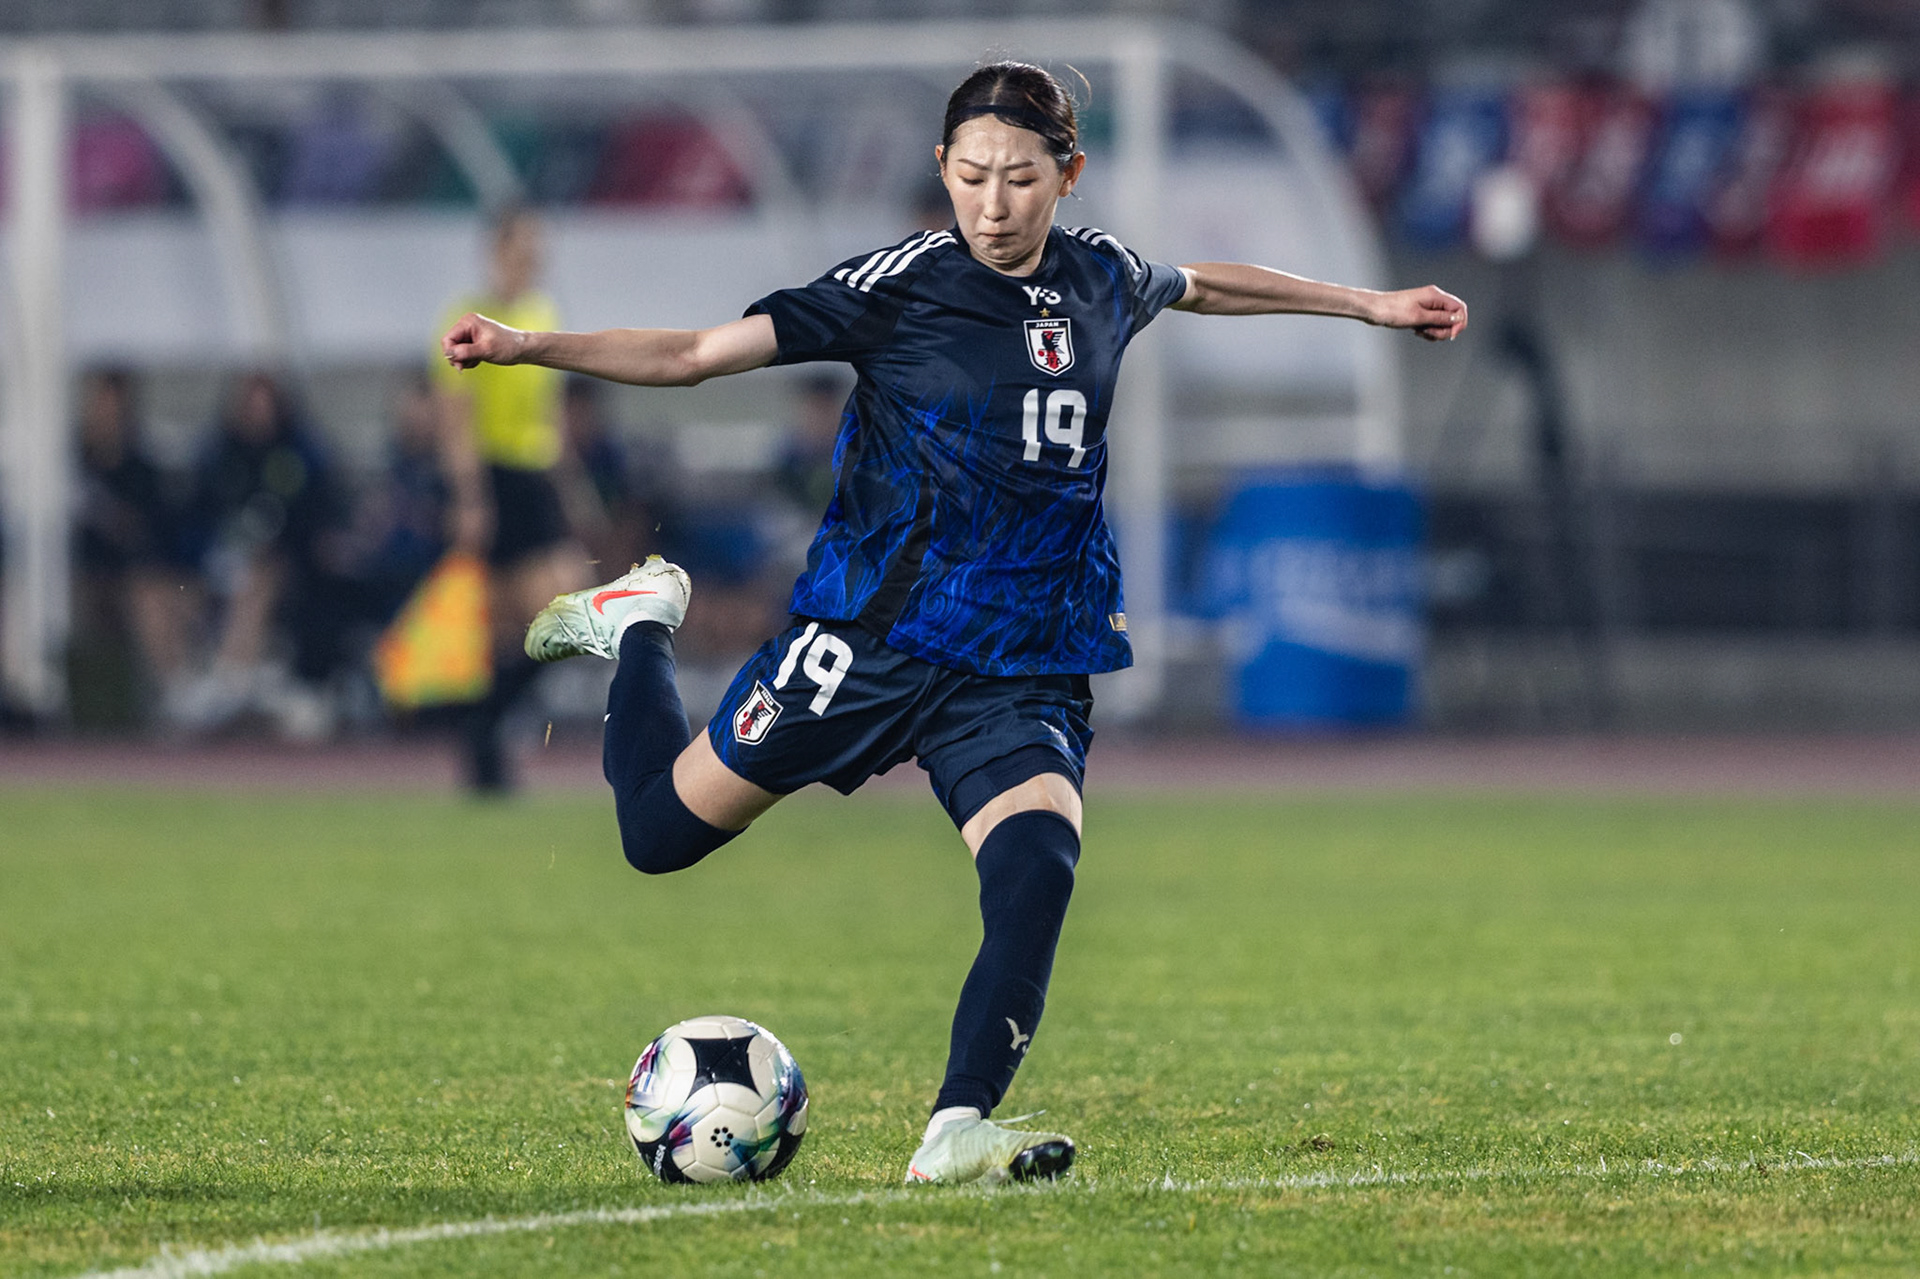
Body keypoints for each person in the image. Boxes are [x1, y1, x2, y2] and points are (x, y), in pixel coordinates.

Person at [442, 61, 1466, 1186]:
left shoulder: (1104, 279)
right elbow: (693, 354)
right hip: (874, 641)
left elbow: (1202, 285)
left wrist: (1367, 303)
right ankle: (642, 619)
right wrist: (533, 346)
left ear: (1067, 176)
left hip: (1022, 658)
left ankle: (957, 1126)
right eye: (972, 175)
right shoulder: (899, 286)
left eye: (1020, 178)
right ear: (943, 171)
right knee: (655, 836)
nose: (993, 201)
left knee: (1038, 863)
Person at [432, 207, 588, 791]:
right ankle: (485, 744)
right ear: (496, 250)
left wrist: (571, 488)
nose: (534, 258)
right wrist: (469, 497)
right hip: (496, 477)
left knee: (559, 619)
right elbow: (456, 417)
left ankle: (483, 727)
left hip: (535, 475)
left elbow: (549, 413)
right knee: (509, 625)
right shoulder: (466, 319)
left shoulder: (541, 314)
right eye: (523, 245)